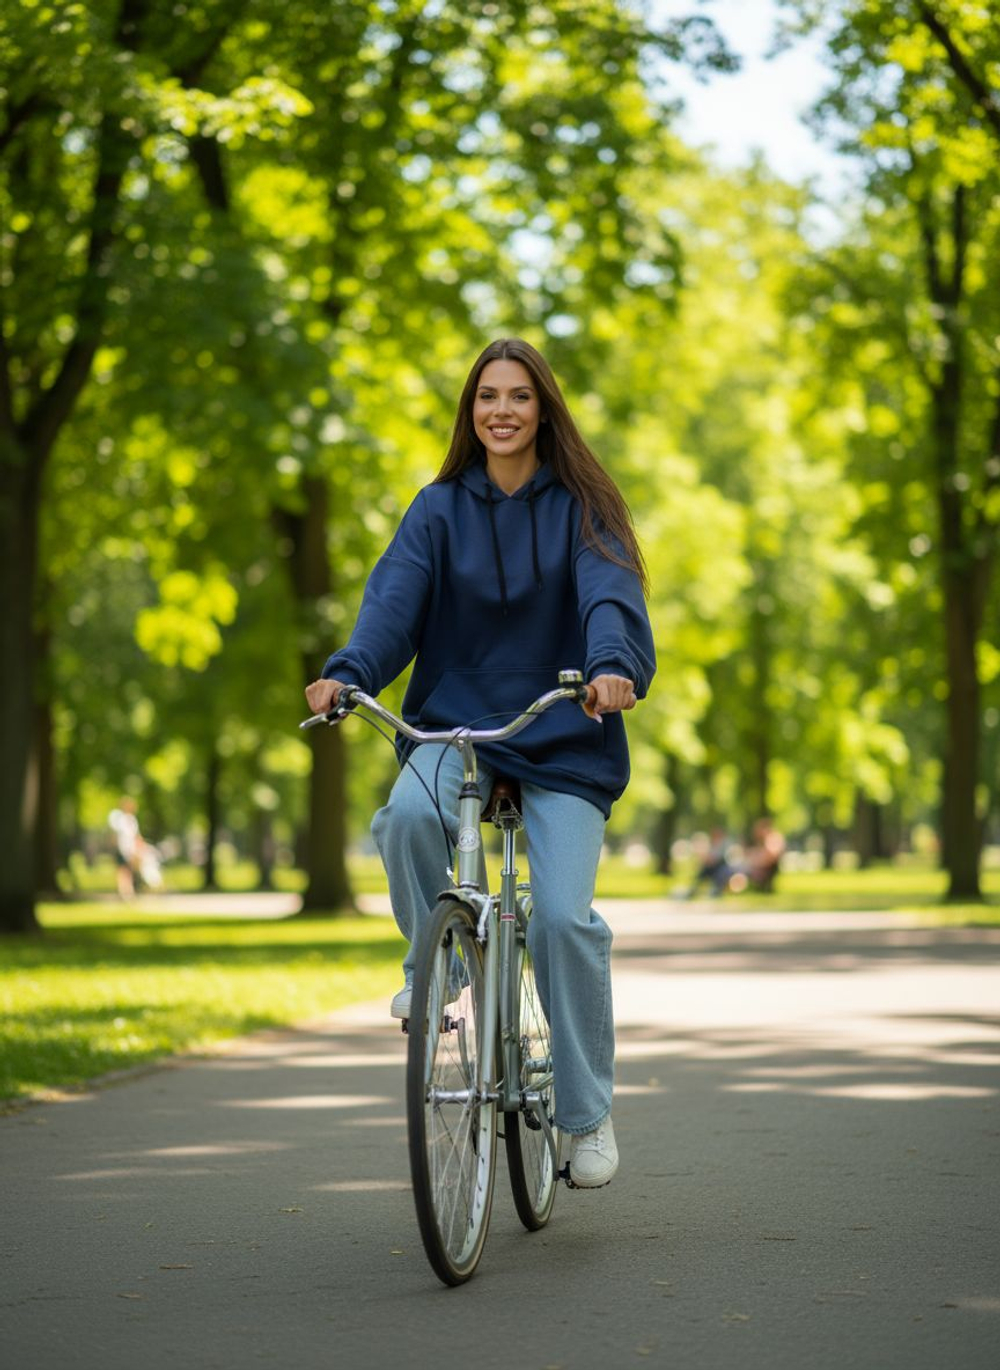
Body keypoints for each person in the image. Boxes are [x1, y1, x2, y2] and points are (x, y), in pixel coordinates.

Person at [305, 338, 655, 1189]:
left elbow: (609, 594)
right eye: (486, 396)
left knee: (566, 921)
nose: (501, 410)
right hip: (455, 725)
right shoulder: (437, 509)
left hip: (562, 729)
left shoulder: (583, 507)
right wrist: (350, 673)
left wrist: (614, 669)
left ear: (545, 411)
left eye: (520, 397)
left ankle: (586, 1114)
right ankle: (441, 970)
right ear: (471, 411)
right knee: (406, 819)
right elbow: (393, 601)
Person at [108, 797, 142, 899]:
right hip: (121, 848)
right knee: (122, 870)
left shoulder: (133, 820)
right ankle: (124, 891)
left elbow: (136, 836)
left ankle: (128, 891)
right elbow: (115, 835)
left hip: (130, 849)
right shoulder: (120, 820)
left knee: (129, 870)